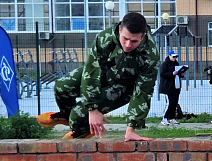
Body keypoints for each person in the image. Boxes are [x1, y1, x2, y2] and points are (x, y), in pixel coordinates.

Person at [37, 12, 159, 141]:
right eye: (125, 39)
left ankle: (80, 129)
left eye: (134, 41)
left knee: (78, 115)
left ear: (143, 36)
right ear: (119, 29)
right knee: (62, 86)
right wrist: (92, 108)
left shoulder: (150, 55)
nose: (128, 45)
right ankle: (66, 116)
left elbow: (143, 92)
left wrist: (131, 129)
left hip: (122, 88)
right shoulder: (105, 38)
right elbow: (91, 71)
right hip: (103, 75)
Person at [158, 50, 186, 126]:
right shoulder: (165, 64)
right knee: (169, 103)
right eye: (173, 57)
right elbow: (162, 74)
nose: (174, 58)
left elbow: (178, 73)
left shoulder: (176, 64)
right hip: (168, 86)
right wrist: (172, 73)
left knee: (174, 103)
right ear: (169, 56)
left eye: (176, 57)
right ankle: (165, 118)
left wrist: (181, 74)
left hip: (176, 86)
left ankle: (172, 118)